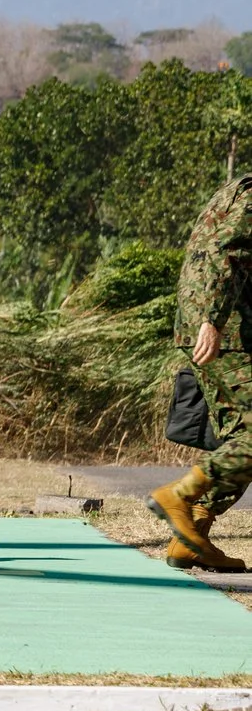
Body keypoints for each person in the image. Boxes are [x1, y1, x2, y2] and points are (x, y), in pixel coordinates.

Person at [152, 174, 252, 573]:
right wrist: (212, 319)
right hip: (223, 329)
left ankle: (192, 533)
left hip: (226, 326)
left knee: (241, 440)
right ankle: (180, 495)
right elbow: (223, 251)